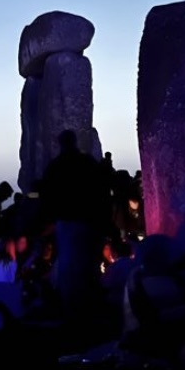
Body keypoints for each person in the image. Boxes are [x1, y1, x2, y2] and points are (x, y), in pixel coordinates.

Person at [39, 129, 111, 324]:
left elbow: (46, 194)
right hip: (88, 221)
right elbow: (101, 188)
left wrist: (49, 219)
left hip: (67, 222)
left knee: (70, 266)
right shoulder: (86, 163)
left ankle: (73, 312)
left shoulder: (56, 166)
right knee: (88, 263)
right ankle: (89, 309)